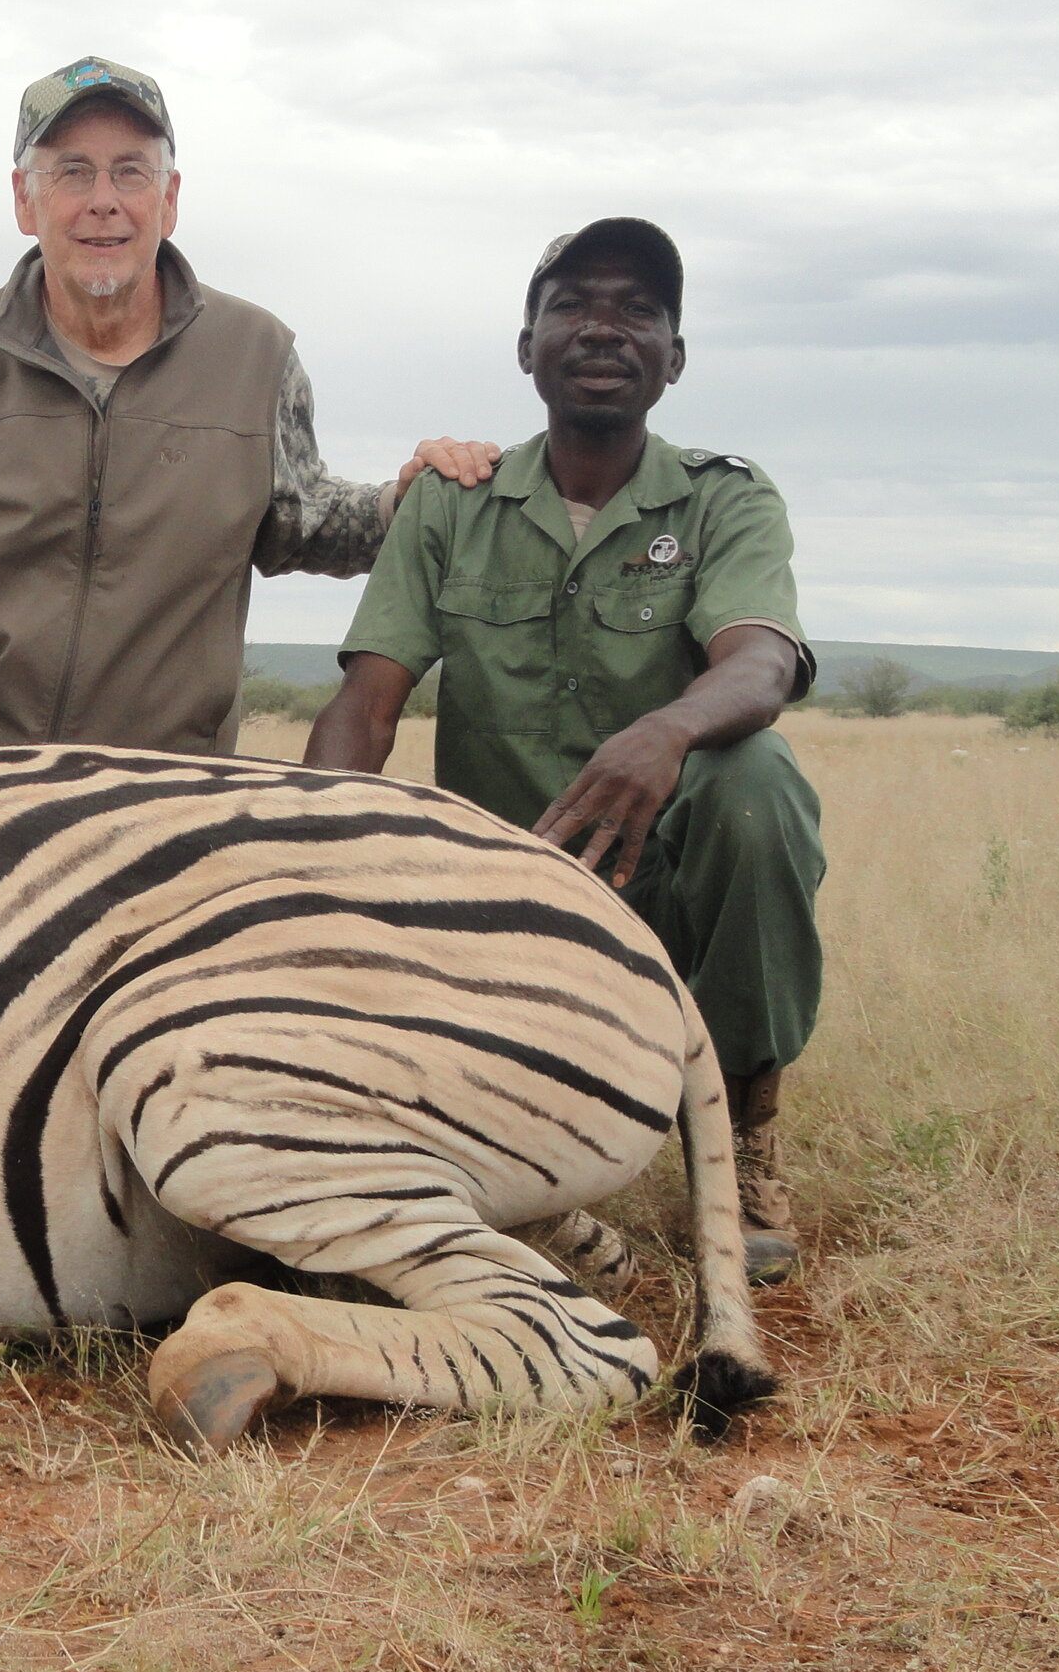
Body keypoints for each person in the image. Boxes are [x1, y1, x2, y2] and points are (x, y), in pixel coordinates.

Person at [0, 55, 497, 755]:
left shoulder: (259, 355)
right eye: (71, 172)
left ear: (168, 198)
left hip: (159, 779)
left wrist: (408, 494)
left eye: (130, 171)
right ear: (25, 201)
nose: (103, 200)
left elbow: (305, 521)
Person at [304, 217, 824, 1283]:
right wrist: (299, 856)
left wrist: (665, 731)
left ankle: (742, 1129)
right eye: (573, 306)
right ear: (528, 346)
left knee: (756, 784)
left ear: (672, 359)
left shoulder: (727, 497)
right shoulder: (451, 500)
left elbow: (763, 665)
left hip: (657, 890)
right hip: (499, 901)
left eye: (638, 310)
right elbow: (368, 704)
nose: (603, 329)